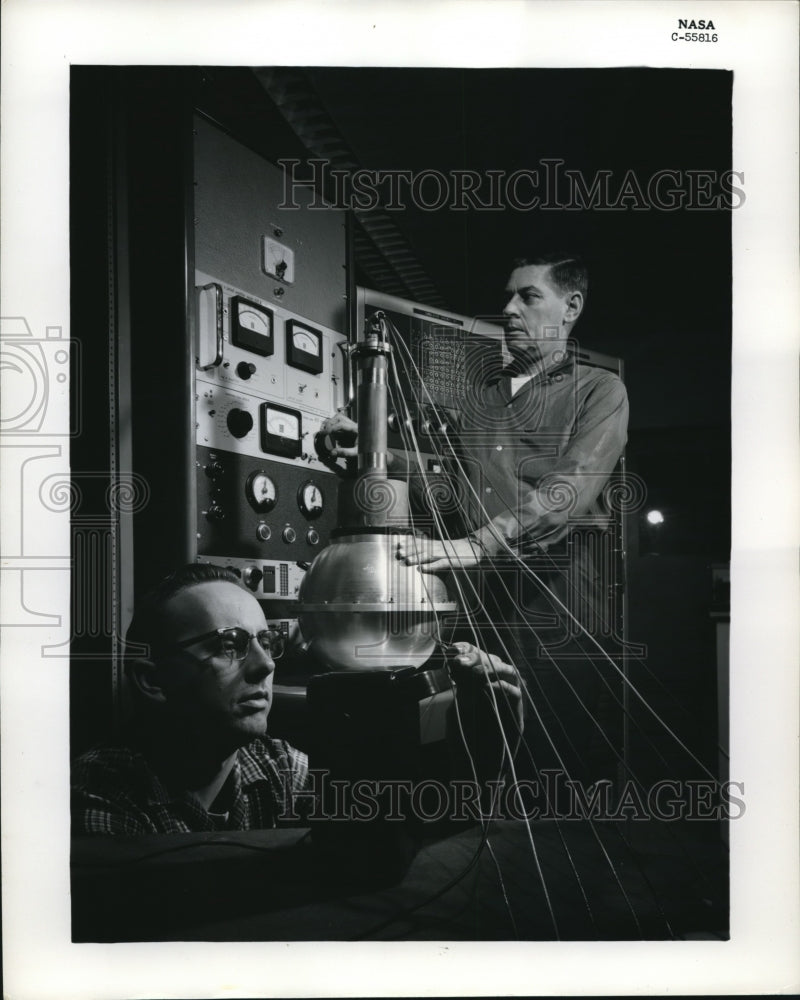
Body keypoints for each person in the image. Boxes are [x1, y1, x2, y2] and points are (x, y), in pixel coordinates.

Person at [320, 252, 629, 785]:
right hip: (483, 607)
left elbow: (570, 488)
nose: (509, 308)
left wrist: (480, 543)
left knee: (557, 765)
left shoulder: (600, 390)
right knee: (481, 758)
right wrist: (371, 454)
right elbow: (448, 481)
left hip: (560, 611)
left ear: (571, 305)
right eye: (508, 295)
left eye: (528, 296)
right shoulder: (480, 401)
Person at [72, 563, 522, 835]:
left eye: (267, 642)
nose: (265, 666)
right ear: (153, 681)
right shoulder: (99, 794)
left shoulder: (279, 767)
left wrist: (486, 750)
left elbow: (398, 834)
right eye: (229, 645)